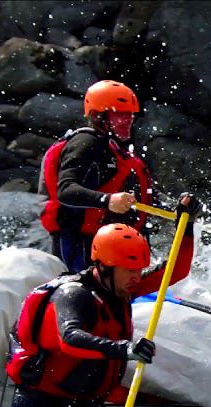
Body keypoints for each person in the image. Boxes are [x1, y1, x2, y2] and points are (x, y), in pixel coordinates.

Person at [6, 194, 201, 407]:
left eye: (139, 269)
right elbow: (70, 338)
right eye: (129, 270)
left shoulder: (120, 286)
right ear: (104, 267)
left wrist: (186, 226)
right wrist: (125, 349)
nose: (136, 277)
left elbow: (173, 272)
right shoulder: (73, 295)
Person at [39, 80, 155, 273]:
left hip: (107, 242)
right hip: (78, 242)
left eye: (130, 114)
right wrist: (107, 200)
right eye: (120, 114)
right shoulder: (85, 143)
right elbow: (66, 190)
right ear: (97, 116)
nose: (128, 120)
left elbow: (137, 195)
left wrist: (179, 209)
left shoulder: (114, 148)